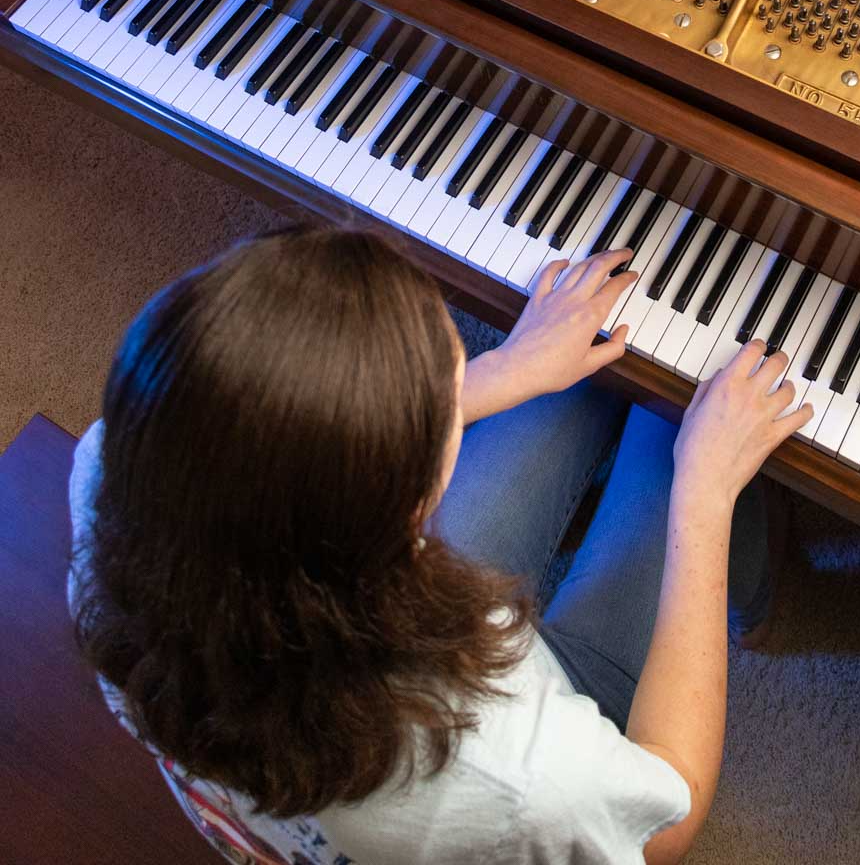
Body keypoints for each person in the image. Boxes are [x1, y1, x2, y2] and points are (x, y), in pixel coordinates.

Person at [69, 224, 814, 864]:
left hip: (344, 674)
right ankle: (759, 590)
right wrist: (706, 492)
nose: (458, 387)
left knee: (598, 365)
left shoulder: (116, 472)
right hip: (449, 736)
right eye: (443, 392)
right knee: (675, 419)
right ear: (404, 511)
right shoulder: (509, 771)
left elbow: (276, 439)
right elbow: (667, 823)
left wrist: (511, 367)